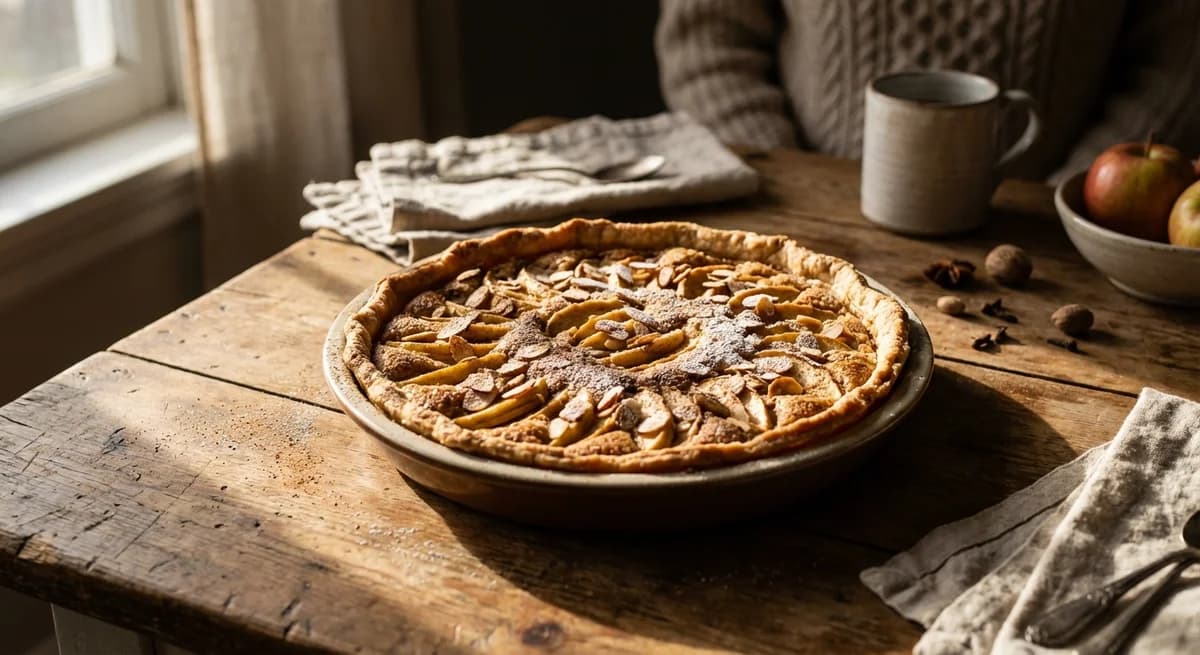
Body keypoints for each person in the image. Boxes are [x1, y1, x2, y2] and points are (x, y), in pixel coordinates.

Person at [656, 0, 1200, 182]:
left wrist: (1075, 198)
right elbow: (709, 39)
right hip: (805, 203)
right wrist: (794, 180)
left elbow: (1179, 63)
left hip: (1052, 235)